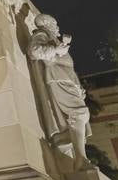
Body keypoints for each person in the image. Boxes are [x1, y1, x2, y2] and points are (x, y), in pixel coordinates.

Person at [27, 13, 93, 171]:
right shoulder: (42, 34)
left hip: (68, 79)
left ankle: (61, 139)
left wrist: (78, 86)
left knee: (81, 119)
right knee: (80, 114)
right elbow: (34, 51)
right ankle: (80, 160)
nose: (57, 26)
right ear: (45, 24)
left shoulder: (53, 37)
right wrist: (56, 49)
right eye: (54, 23)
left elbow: (68, 65)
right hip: (58, 78)